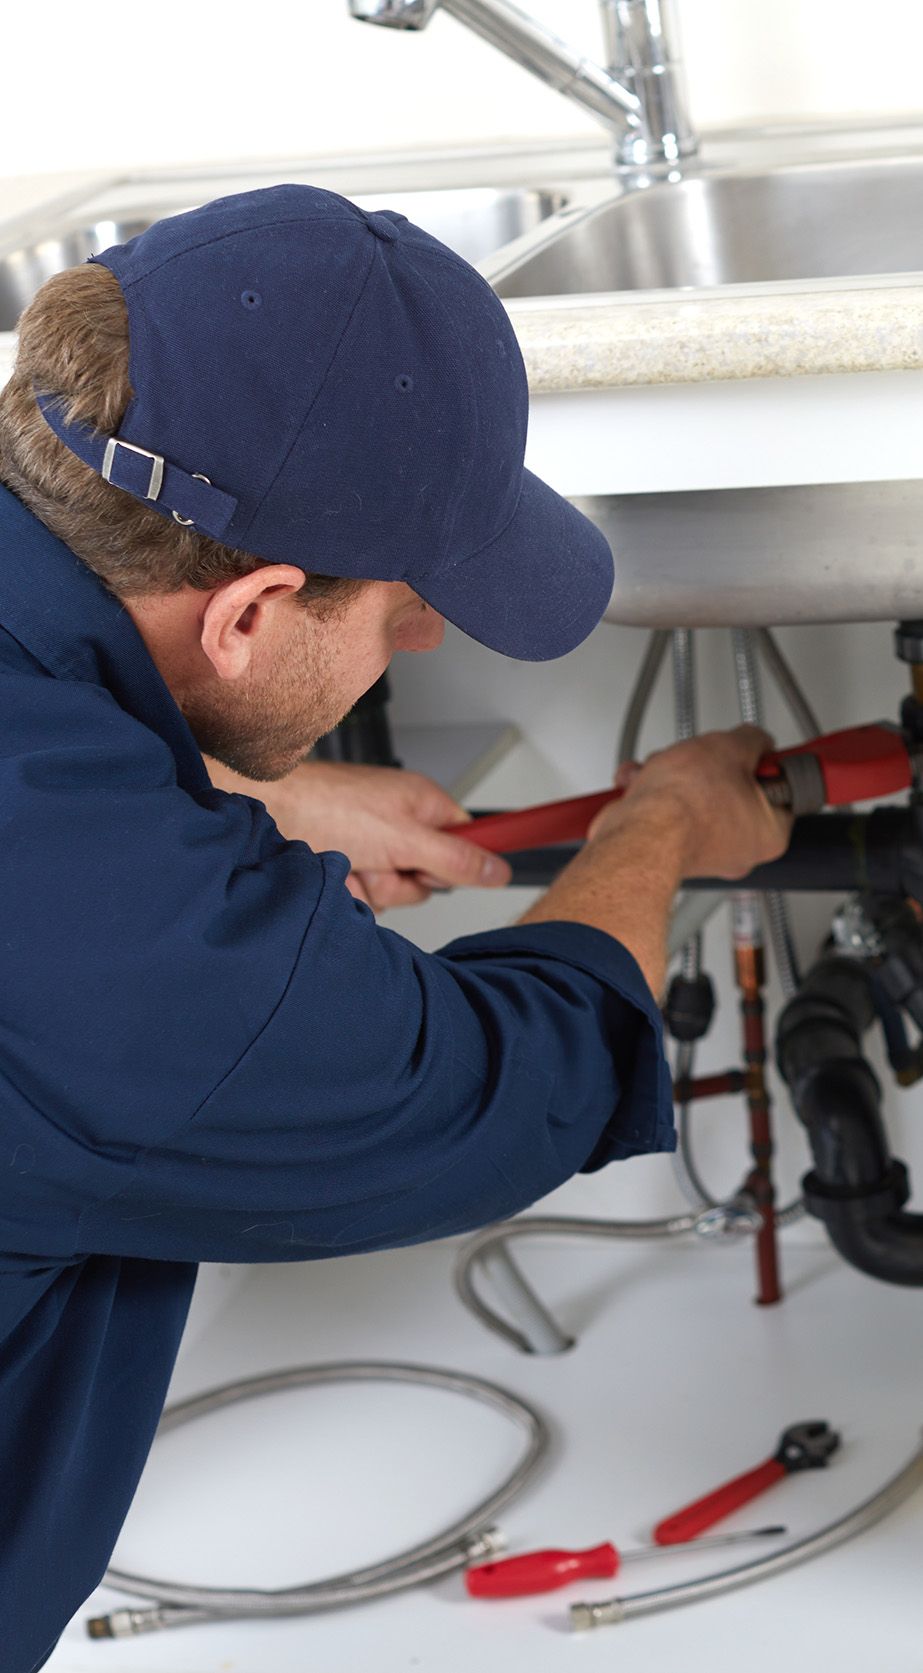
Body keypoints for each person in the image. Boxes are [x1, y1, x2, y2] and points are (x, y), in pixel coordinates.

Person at [0, 183, 790, 1670]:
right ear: (249, 613)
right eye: (404, 603)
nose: (423, 635)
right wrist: (665, 825)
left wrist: (258, 803)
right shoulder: (133, 974)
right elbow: (507, 1080)